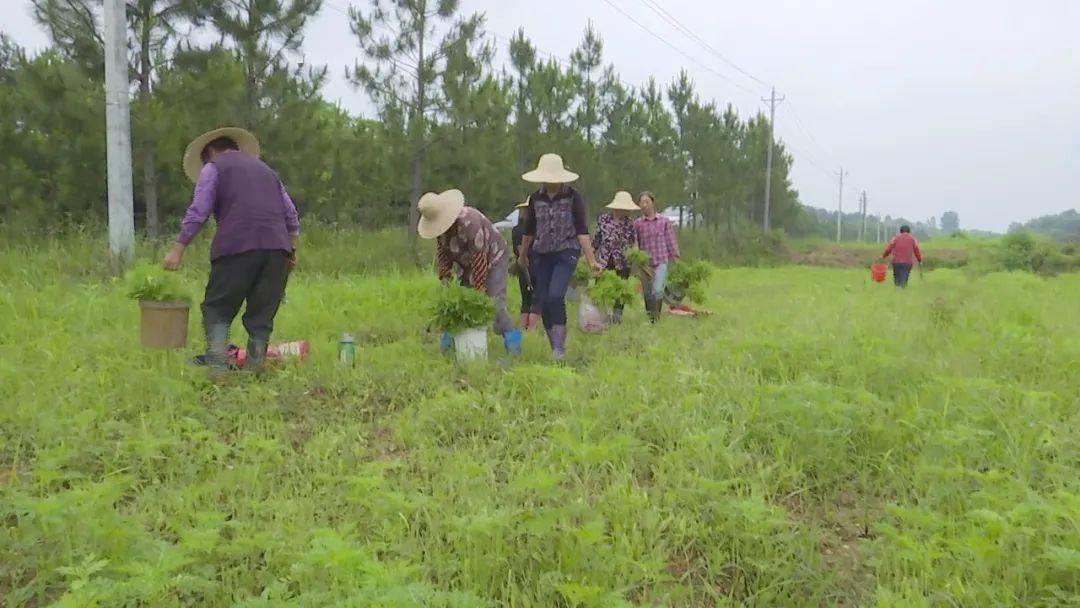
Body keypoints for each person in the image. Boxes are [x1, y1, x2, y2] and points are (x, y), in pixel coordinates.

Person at [163, 127, 299, 373]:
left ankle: (218, 370)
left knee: (217, 308)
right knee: (261, 315)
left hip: (237, 246)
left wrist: (177, 249)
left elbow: (199, 211)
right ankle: (255, 368)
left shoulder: (213, 168)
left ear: (210, 152)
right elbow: (291, 215)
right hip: (278, 249)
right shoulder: (268, 172)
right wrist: (291, 252)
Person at [516, 153, 603, 360]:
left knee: (556, 295)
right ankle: (555, 345)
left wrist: (591, 260)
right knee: (543, 300)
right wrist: (522, 256)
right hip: (541, 254)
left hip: (567, 252)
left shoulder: (573, 197)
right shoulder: (536, 199)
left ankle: (559, 348)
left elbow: (582, 230)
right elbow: (529, 230)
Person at [417, 189, 523, 356]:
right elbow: (444, 256)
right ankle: (452, 344)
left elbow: (480, 263)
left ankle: (513, 344)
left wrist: (477, 297)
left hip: (493, 258)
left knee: (493, 302)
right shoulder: (442, 231)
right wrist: (447, 285)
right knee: (458, 300)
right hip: (467, 262)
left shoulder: (470, 223)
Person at [593, 191, 640, 323]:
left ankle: (616, 318)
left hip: (623, 261)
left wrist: (636, 256)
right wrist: (590, 256)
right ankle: (599, 317)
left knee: (621, 290)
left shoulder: (630, 223)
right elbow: (597, 239)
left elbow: (634, 242)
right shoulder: (603, 220)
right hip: (604, 260)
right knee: (601, 288)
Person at [634, 191, 679, 322]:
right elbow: (635, 242)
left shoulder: (664, 221)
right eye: (641, 202)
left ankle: (656, 318)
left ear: (653, 203)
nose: (644, 205)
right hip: (645, 263)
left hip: (661, 260)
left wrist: (676, 257)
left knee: (657, 289)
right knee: (647, 292)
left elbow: (670, 240)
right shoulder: (638, 223)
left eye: (647, 202)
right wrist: (637, 257)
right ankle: (650, 316)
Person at [509, 199, 539, 330]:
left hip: (521, 266)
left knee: (525, 299)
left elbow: (516, 249)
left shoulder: (515, 230)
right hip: (536, 265)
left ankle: (523, 327)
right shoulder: (536, 229)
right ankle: (531, 329)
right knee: (536, 299)